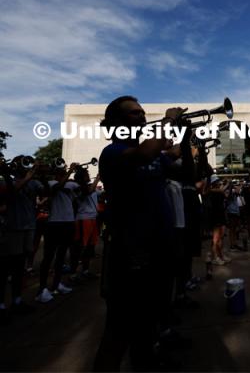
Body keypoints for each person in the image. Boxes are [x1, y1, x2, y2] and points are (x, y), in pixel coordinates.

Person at [93, 96, 184, 371]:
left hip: (158, 247)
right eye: (135, 114)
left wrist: (185, 136)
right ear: (116, 123)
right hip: (129, 251)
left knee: (148, 321)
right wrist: (168, 121)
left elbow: (185, 168)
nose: (143, 117)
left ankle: (146, 362)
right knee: (119, 329)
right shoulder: (113, 152)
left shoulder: (156, 157)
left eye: (143, 113)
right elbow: (144, 154)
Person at [0, 157, 45, 324]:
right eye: (24, 163)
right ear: (15, 166)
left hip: (28, 227)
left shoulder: (33, 182)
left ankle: (17, 301)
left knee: (20, 267)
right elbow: (11, 193)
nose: (27, 166)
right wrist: (25, 177)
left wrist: (41, 174)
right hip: (13, 228)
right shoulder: (7, 181)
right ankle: (1, 306)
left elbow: (46, 192)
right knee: (5, 268)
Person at [36, 163, 79, 302]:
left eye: (64, 169)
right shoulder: (51, 182)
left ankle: (56, 284)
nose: (63, 169)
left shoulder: (71, 184)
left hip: (68, 222)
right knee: (49, 256)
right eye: (61, 169)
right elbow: (57, 188)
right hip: (54, 223)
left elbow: (84, 191)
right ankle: (42, 290)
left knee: (61, 256)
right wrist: (70, 172)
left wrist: (80, 175)